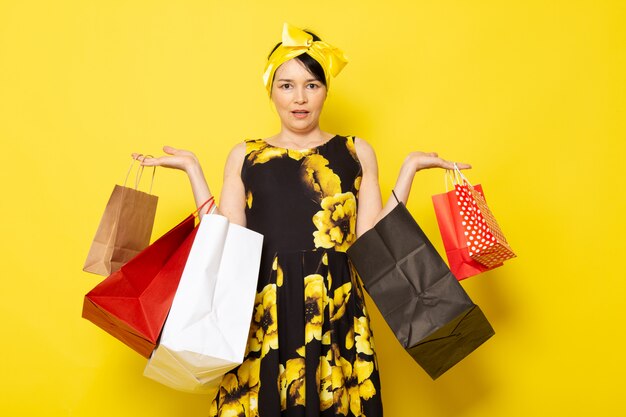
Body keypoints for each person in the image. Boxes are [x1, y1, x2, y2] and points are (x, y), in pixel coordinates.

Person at [134, 23, 470, 417]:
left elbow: (374, 240)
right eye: (287, 85)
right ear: (271, 91)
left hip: (336, 306)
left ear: (326, 90)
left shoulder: (356, 151)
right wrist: (193, 169)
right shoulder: (246, 155)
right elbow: (226, 240)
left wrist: (409, 169)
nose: (300, 98)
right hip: (265, 310)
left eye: (312, 85)